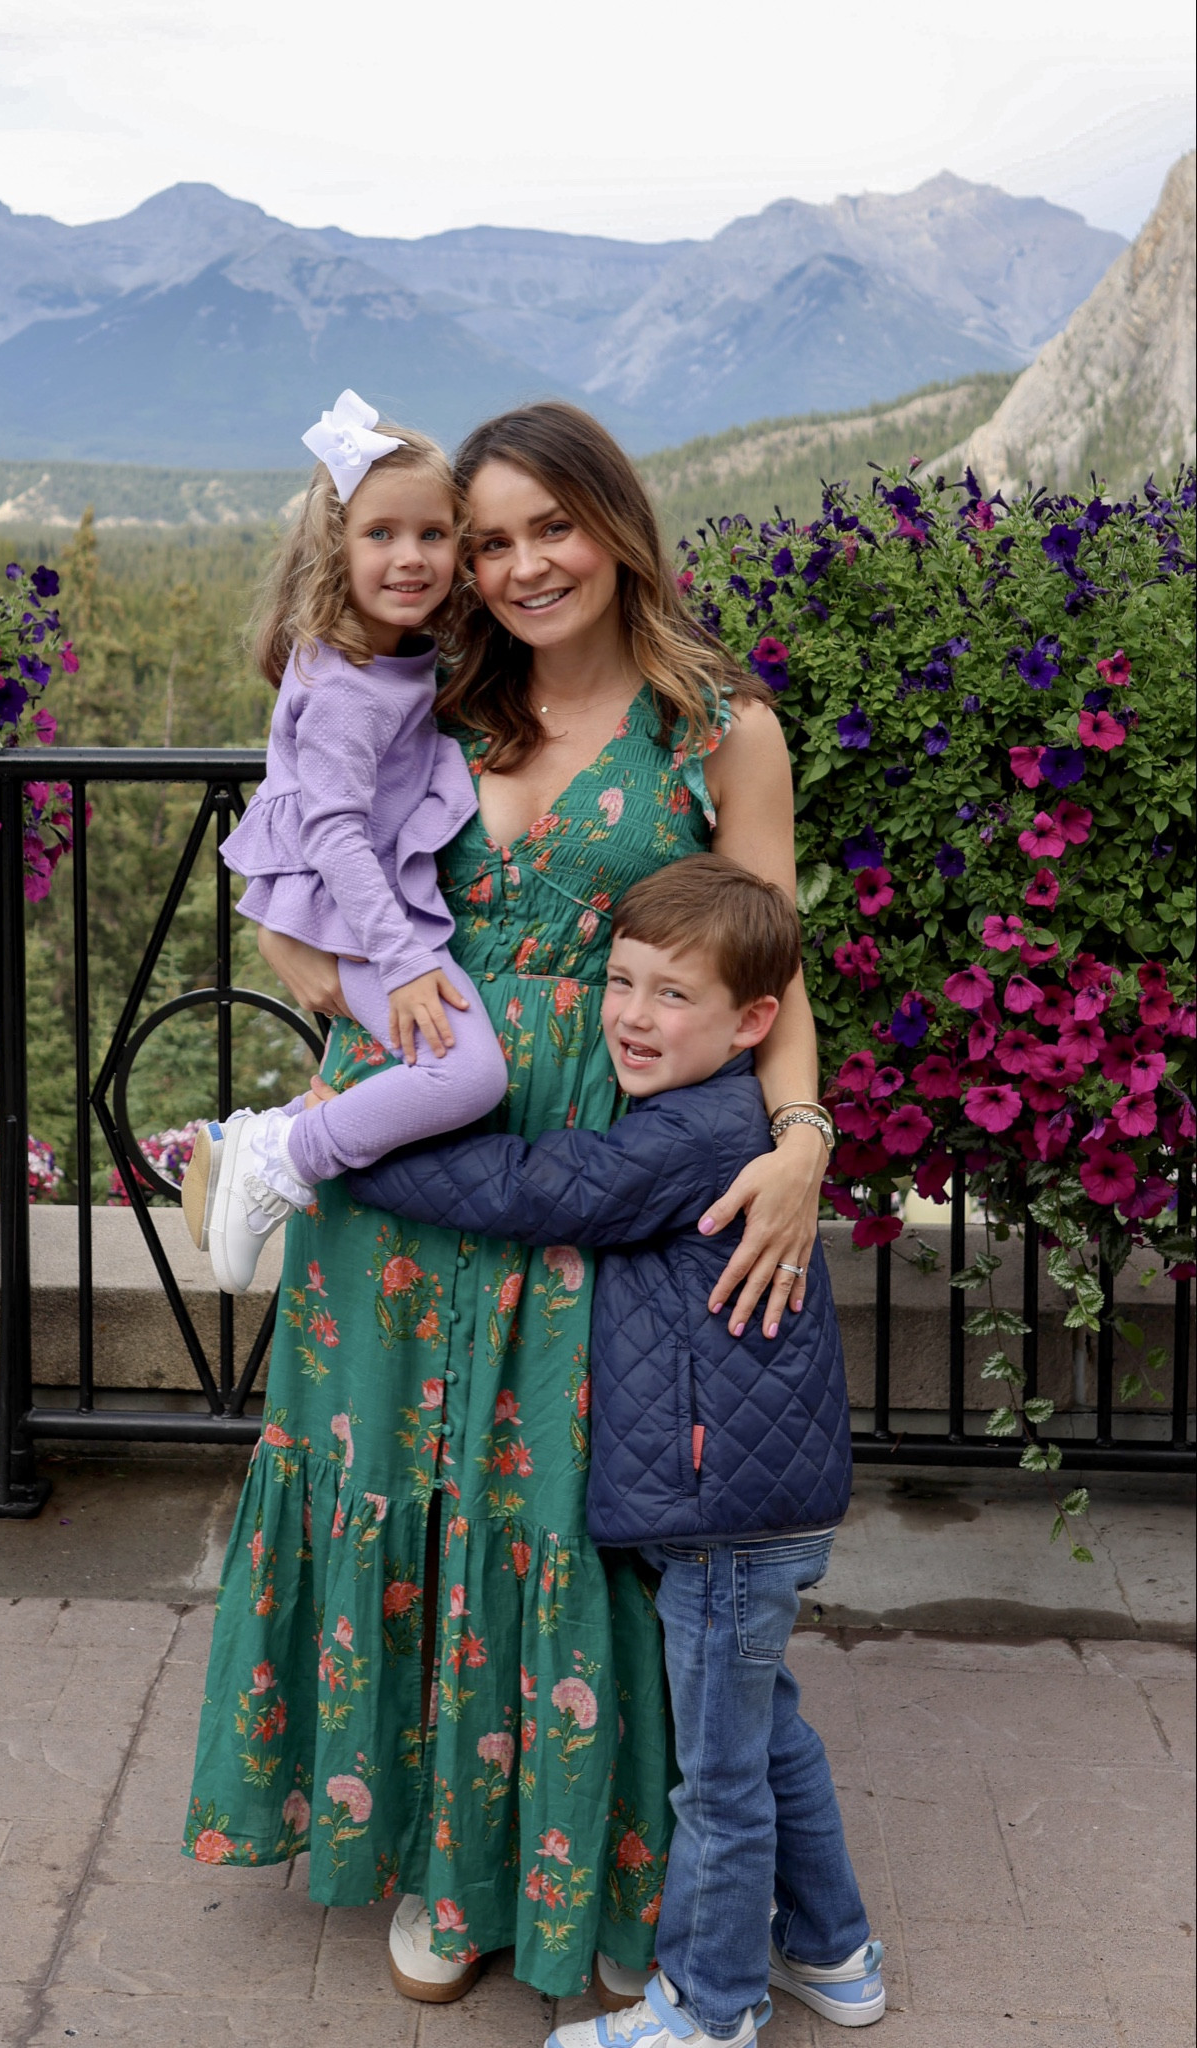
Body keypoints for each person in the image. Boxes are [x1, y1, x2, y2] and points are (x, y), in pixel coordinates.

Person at [183, 400, 829, 2008]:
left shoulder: (719, 735)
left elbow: (770, 962)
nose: (522, 564)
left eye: (552, 527)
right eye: (489, 539)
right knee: (399, 1472)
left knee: (555, 1502)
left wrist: (805, 1135)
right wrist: (367, 1012)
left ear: (617, 525)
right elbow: (284, 909)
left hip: (594, 1179)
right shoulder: (424, 698)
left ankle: (561, 1855)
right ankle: (439, 1867)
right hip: (404, 1159)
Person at [347, 854, 881, 2047]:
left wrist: (352, 1146)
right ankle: (832, 1949)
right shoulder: (699, 1110)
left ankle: (709, 2008)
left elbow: (543, 1184)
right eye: (621, 982)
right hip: (747, 1500)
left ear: (753, 1021)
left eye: (670, 994)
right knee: (767, 1725)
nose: (633, 1016)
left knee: (720, 1773)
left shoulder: (698, 1132)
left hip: (724, 1513)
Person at [182, 388, 507, 1293]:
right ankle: (281, 1152)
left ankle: (262, 1141)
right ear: (337, 545)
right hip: (354, 919)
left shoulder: (389, 651)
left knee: (435, 1072)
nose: (410, 557)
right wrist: (400, 960)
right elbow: (332, 828)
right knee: (467, 1076)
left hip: (366, 916)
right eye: (380, 535)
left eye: (434, 535)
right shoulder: (348, 688)